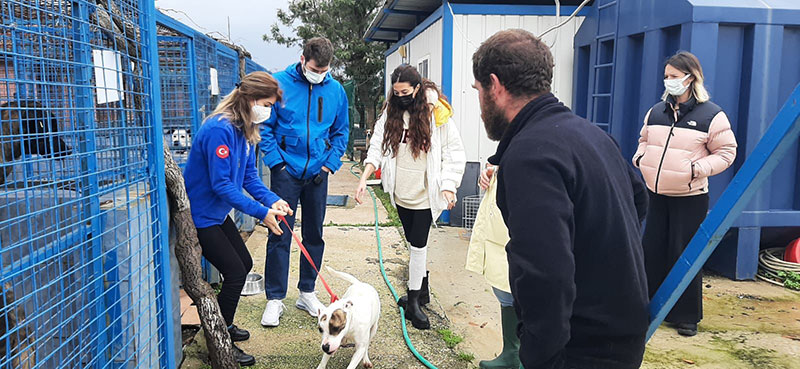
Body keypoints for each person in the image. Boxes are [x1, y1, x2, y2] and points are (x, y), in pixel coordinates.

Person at [471, 29, 650, 369]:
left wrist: (540, 355)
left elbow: (544, 272)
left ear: (495, 86)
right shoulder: (593, 135)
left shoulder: (529, 157)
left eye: (478, 91)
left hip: (579, 350)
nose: (479, 105)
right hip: (620, 335)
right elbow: (639, 203)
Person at [184, 71, 293, 366]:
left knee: (244, 264)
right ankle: (219, 340)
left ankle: (224, 323)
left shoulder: (246, 130)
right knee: (234, 273)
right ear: (249, 99)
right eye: (266, 104)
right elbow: (222, 185)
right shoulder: (219, 130)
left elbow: (248, 177)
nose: (268, 111)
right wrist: (261, 212)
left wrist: (273, 200)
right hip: (203, 216)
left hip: (218, 213)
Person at [633, 51, 737, 337]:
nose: (669, 82)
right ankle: (648, 308)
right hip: (656, 194)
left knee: (683, 253)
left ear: (691, 79)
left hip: (689, 197)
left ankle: (686, 316)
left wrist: (695, 169)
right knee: (650, 253)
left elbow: (727, 152)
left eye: (674, 77)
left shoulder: (711, 115)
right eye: (666, 77)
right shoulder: (656, 112)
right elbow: (643, 140)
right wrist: (640, 160)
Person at [355, 64, 466, 330]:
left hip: (425, 194)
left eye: (405, 92)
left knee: (418, 247)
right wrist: (363, 177)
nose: (400, 96)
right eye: (396, 92)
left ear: (416, 89)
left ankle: (414, 301)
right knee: (413, 243)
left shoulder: (436, 113)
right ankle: (422, 290)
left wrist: (449, 185)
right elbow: (377, 146)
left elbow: (454, 151)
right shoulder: (390, 113)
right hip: (401, 192)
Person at [258, 37, 350, 326]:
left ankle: (307, 292)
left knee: (314, 234)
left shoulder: (335, 90)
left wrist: (328, 167)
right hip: (286, 172)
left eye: (324, 70)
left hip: (317, 174)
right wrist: (278, 164)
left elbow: (341, 132)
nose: (318, 74)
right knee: (280, 232)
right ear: (302, 59)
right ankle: (274, 299)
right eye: (314, 68)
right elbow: (265, 127)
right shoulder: (279, 84)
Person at [466, 163, 518, 369]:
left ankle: (521, 356)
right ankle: (511, 353)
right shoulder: (512, 138)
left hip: (518, 225)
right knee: (504, 291)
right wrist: (489, 172)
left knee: (522, 294)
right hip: (500, 225)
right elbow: (496, 162)